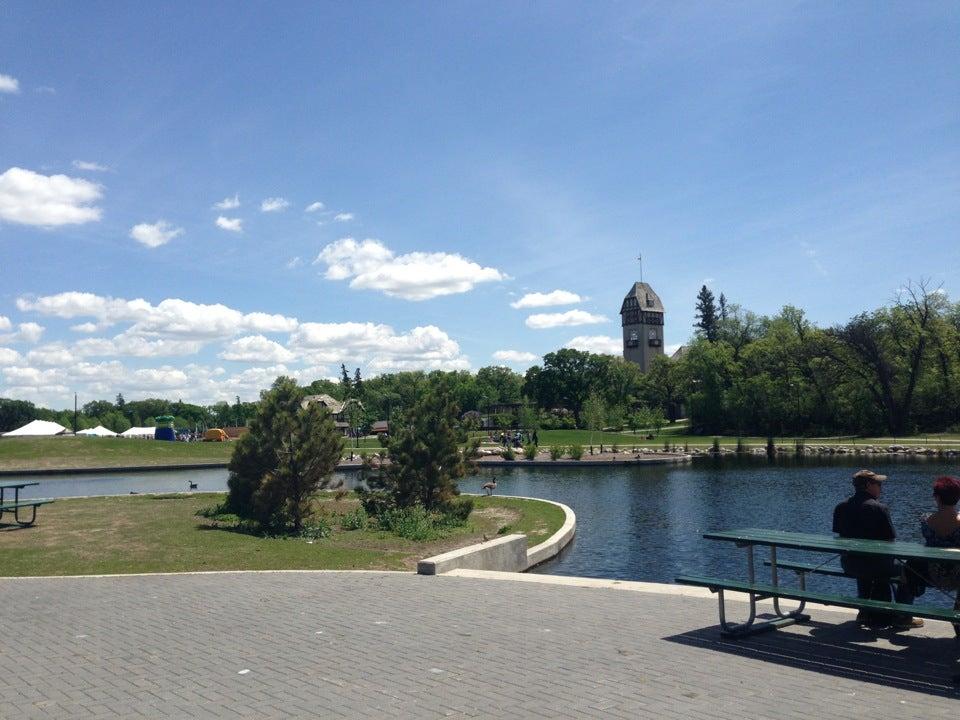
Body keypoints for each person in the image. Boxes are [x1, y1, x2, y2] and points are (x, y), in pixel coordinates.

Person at [832, 469, 922, 629]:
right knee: (909, 570)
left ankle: (865, 611)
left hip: (848, 564)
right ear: (868, 485)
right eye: (878, 484)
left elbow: (840, 537)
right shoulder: (879, 508)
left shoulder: (841, 507)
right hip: (876, 566)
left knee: (862, 562)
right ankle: (903, 615)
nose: (881, 487)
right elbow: (890, 542)